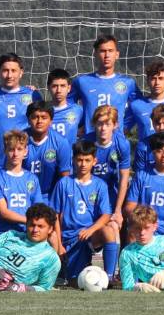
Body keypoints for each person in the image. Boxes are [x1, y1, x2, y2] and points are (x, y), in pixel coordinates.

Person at [50, 140, 117, 283]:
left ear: (94, 161)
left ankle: (109, 277)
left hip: (89, 236)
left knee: (109, 230)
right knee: (73, 279)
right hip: (68, 237)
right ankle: (63, 269)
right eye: (79, 160)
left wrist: (91, 230)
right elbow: (55, 215)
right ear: (73, 160)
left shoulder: (100, 185)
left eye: (87, 160)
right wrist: (60, 243)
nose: (83, 164)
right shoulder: (64, 183)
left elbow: (106, 215)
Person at [0, 53, 42, 167]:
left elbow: (43, 126)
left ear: (21, 72)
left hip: (26, 162)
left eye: (13, 70)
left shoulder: (33, 95)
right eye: (5, 70)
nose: (9, 75)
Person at [69, 34, 140, 134]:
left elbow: (139, 106)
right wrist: (79, 124)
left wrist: (126, 126)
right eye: (102, 51)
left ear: (117, 54)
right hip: (89, 141)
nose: (107, 55)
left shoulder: (128, 83)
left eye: (110, 51)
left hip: (115, 140)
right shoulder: (82, 82)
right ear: (95, 54)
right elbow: (67, 105)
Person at [81, 105, 132, 231]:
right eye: (99, 124)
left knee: (113, 226)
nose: (103, 128)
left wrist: (118, 210)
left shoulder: (122, 144)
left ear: (115, 125)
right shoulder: (85, 142)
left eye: (107, 124)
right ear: (94, 124)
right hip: (89, 190)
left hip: (111, 192)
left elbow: (124, 177)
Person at [0, 130, 45, 235]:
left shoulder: (32, 179)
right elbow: (3, 212)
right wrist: (30, 221)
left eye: (19, 149)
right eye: (11, 149)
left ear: (25, 151)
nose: (15, 154)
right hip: (5, 234)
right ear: (5, 151)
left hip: (28, 233)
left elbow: (38, 208)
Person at [24, 100, 72, 198]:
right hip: (23, 195)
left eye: (44, 117)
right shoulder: (20, 140)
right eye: (35, 117)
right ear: (28, 120)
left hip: (49, 197)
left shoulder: (61, 142)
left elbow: (64, 177)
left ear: (51, 121)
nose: (39, 121)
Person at [46, 68, 83, 144]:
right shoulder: (43, 111)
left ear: (69, 88)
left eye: (62, 86)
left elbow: (87, 126)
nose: (58, 90)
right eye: (54, 86)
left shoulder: (77, 110)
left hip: (70, 155)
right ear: (48, 87)